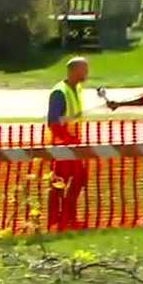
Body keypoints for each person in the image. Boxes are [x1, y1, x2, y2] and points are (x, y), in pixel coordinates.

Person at [47, 57, 90, 231]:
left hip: (74, 144)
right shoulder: (59, 92)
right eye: (84, 69)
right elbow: (53, 122)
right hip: (62, 145)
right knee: (59, 182)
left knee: (79, 178)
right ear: (74, 71)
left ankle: (68, 217)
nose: (87, 73)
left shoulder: (77, 89)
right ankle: (56, 221)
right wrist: (66, 140)